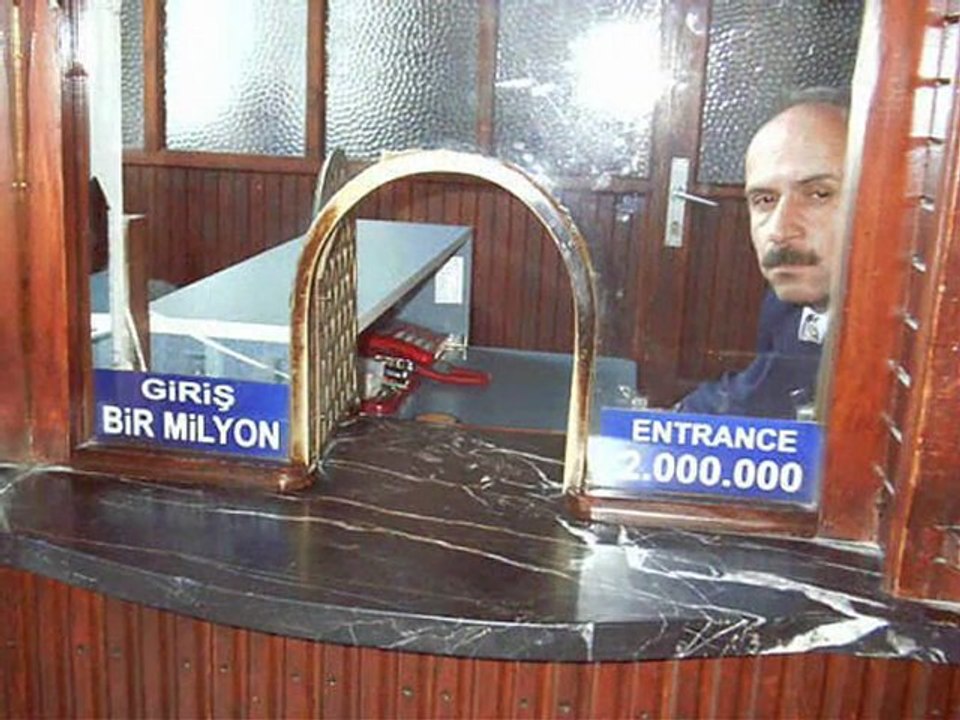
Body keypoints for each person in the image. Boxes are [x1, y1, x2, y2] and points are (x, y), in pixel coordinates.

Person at [676, 90, 848, 419]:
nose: (780, 230)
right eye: (765, 200)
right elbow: (755, 396)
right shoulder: (786, 308)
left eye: (818, 194)